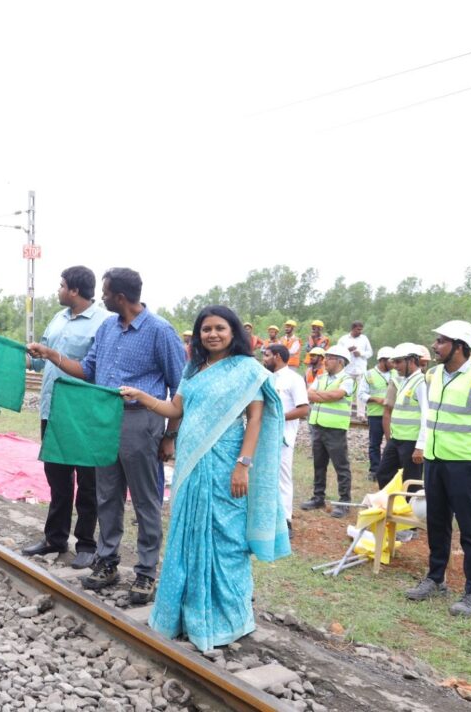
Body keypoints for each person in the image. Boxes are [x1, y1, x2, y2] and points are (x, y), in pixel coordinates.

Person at [121, 305, 289, 651]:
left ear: (233, 333)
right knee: (188, 533)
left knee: (226, 539)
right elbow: (175, 410)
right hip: (190, 466)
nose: (212, 334)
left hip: (226, 464)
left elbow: (255, 419)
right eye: (205, 329)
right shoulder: (193, 368)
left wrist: (243, 464)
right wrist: (142, 397)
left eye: (219, 328)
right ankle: (183, 613)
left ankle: (227, 618)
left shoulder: (247, 370)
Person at [27, 268, 185, 604]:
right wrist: (52, 355)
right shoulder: (107, 328)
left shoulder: (160, 331)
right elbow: (89, 370)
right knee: (106, 495)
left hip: (141, 421)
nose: (101, 297)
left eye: (106, 292)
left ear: (121, 297)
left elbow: (179, 387)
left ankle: (145, 573)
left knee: (145, 500)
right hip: (104, 420)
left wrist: (170, 436)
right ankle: (107, 561)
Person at [405, 321, 471, 617]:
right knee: (436, 522)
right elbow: (429, 417)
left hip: (467, 465)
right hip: (435, 462)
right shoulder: (433, 375)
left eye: (441, 341)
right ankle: (436, 579)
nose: (435, 346)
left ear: (459, 346)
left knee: (470, 530)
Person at [22, 266, 110, 567]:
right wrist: (27, 355)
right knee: (57, 478)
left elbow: (98, 369)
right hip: (51, 409)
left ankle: (86, 543)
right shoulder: (58, 319)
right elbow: (37, 362)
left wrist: (49, 354)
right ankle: (54, 538)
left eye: (61, 285)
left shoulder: (104, 323)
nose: (58, 290)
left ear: (74, 290)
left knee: (88, 481)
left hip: (83, 414)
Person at [301, 344, 355, 517]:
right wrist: (325, 396)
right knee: (319, 464)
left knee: (341, 466)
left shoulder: (348, 379)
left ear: (340, 361)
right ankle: (318, 498)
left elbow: (336, 395)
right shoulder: (322, 377)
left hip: (335, 428)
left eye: (329, 358)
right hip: (317, 426)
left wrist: (320, 396)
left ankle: (344, 502)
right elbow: (308, 394)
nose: (326, 361)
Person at [263, 344, 309, 538]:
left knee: (282, 479)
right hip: (264, 435)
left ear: (278, 357)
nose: (264, 359)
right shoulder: (266, 378)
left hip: (283, 438)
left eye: (266, 356)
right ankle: (266, 518)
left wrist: (278, 418)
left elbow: (303, 409)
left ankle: (285, 521)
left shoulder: (294, 379)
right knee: (264, 478)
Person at [376, 343, 427, 489]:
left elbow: (426, 415)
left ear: (411, 361)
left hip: (411, 441)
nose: (395, 366)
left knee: (411, 481)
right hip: (396, 439)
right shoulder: (405, 381)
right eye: (394, 362)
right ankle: (390, 505)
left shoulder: (421, 383)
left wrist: (420, 446)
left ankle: (410, 510)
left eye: (398, 362)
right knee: (383, 474)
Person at [361, 346, 394, 480]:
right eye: (391, 361)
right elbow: (361, 394)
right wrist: (376, 399)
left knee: (392, 443)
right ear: (382, 360)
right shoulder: (369, 374)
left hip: (393, 414)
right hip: (375, 414)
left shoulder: (396, 373)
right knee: (374, 444)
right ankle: (374, 470)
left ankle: (390, 470)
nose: (394, 363)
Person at [337, 321, 373, 417]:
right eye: (358, 329)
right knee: (347, 391)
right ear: (352, 329)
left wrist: (361, 354)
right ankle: (346, 413)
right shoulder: (343, 339)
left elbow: (370, 353)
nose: (360, 331)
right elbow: (338, 353)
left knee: (360, 392)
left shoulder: (364, 339)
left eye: (361, 329)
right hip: (348, 369)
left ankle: (361, 414)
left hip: (361, 369)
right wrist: (347, 350)